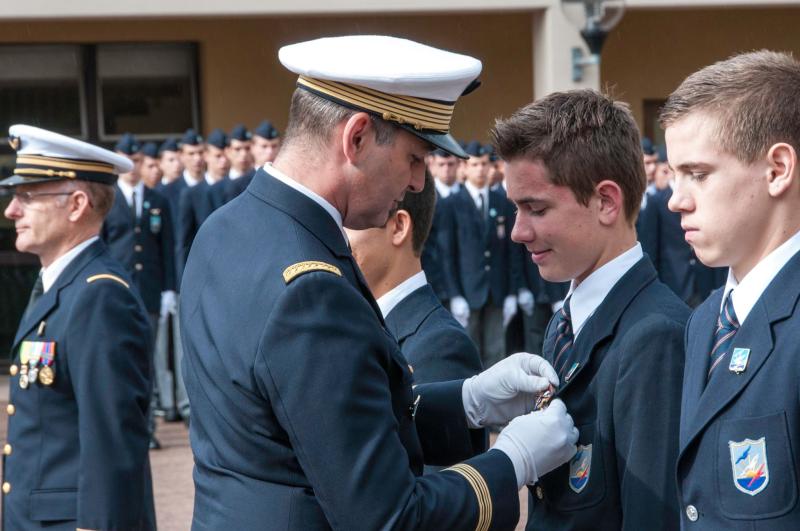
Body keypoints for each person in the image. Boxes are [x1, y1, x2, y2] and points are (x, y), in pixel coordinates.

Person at [180, 35, 578, 530]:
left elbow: (314, 422)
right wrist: (514, 459)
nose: (417, 183)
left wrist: (467, 401)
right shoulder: (311, 289)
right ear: (358, 137)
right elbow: (388, 517)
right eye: (414, 157)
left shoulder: (227, 228)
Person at [493, 89, 690, 530]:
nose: (519, 232)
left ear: (605, 201)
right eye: (516, 210)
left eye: (536, 209)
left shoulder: (653, 337)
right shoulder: (568, 320)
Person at [661, 50, 800, 529]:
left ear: (777, 169)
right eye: (675, 175)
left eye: (698, 174)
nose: (676, 200)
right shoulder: (706, 322)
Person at [1, 124, 155, 530]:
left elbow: (112, 442)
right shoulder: (61, 285)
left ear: (76, 204)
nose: (11, 211)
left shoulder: (99, 297)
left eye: (27, 197)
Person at [103, 133, 177, 449]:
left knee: (146, 362)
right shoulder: (108, 200)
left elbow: (167, 249)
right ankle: (124, 426)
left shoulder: (157, 200)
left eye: (137, 160)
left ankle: (146, 428)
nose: (132, 167)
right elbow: (103, 246)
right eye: (127, 160)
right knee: (118, 358)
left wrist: (169, 290)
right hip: (117, 290)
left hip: (148, 292)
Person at [439, 140, 520, 368]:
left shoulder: (501, 202)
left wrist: (512, 292)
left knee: (497, 352)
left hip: (497, 289)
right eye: (474, 165)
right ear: (464, 168)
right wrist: (454, 294)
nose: (480, 169)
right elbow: (448, 253)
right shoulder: (451, 204)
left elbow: (511, 250)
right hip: (467, 290)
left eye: (484, 164)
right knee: (469, 354)